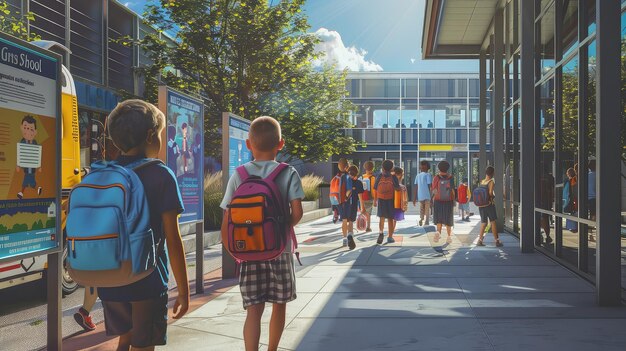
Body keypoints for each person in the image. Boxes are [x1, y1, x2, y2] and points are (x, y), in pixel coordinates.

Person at [98, 99, 189, 351]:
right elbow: (173, 238)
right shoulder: (160, 174)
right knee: (143, 345)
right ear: (150, 136)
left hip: (110, 279)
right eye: (159, 134)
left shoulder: (105, 174)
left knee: (124, 339)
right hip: (147, 281)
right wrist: (183, 290)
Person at [220, 116, 304, 351]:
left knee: (253, 311)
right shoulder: (288, 173)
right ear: (281, 143)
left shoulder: (239, 175)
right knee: (279, 305)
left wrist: (235, 250)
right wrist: (281, 229)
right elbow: (297, 212)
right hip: (280, 250)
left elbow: (227, 219)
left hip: (249, 252)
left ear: (248, 144)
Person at [373, 159, 400, 244]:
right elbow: (397, 188)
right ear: (392, 168)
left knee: (381, 217)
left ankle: (381, 233)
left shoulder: (380, 175)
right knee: (390, 218)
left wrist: (375, 199)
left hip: (381, 199)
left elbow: (375, 187)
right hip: (391, 199)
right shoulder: (393, 176)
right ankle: (390, 237)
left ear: (382, 167)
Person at [16, 115, 43, 199]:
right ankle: (31, 190)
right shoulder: (22, 142)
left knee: (29, 182)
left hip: (33, 167)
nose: (28, 132)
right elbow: (20, 153)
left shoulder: (34, 142)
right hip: (27, 168)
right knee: (28, 181)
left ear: (35, 132)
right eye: (26, 128)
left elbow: (37, 154)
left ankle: (22, 192)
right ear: (21, 128)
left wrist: (39, 166)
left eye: (31, 129)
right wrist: (18, 165)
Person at [476, 166, 503, 247]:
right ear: (493, 173)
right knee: (493, 222)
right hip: (489, 204)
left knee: (483, 223)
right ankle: (497, 241)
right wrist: (493, 197)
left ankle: (480, 241)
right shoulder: (491, 182)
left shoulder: (482, 181)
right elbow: (490, 193)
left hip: (481, 205)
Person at [432, 161, 455, 243]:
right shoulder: (450, 177)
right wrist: (453, 200)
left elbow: (434, 190)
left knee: (439, 219)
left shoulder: (436, 177)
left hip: (438, 201)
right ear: (448, 168)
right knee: (448, 219)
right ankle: (449, 237)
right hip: (448, 201)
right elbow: (452, 190)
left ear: (439, 168)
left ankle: (438, 232)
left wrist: (435, 197)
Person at [342, 165, 365, 250]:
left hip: (344, 204)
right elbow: (360, 197)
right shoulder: (358, 183)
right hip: (353, 205)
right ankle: (350, 235)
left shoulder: (345, 180)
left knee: (344, 220)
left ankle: (344, 239)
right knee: (351, 221)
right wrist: (362, 207)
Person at [413, 160, 433, 226]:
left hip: (420, 195)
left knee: (421, 208)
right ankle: (426, 221)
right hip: (427, 195)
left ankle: (421, 219)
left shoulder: (417, 176)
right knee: (427, 209)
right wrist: (431, 197)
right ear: (428, 167)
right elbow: (429, 186)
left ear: (420, 168)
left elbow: (416, 187)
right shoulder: (428, 175)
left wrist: (414, 198)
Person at [539, 164, 555, 244]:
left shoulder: (535, 177)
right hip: (546, 200)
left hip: (538, 200)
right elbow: (553, 189)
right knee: (545, 217)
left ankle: (540, 233)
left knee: (539, 217)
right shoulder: (550, 177)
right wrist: (552, 199)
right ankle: (547, 235)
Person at [360, 161, 376, 232]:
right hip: (369, 198)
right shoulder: (373, 178)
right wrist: (375, 199)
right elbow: (374, 190)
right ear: (372, 168)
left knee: (363, 211)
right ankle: (368, 227)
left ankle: (361, 225)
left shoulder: (362, 177)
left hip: (362, 197)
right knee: (368, 213)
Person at [392, 167, 408, 233]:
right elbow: (405, 199)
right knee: (394, 219)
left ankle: (391, 231)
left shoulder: (390, 183)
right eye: (401, 174)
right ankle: (391, 231)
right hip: (398, 205)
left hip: (391, 204)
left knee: (392, 219)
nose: (402, 176)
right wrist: (405, 206)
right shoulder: (402, 187)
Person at [564, 167, 578, 233]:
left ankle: (573, 227)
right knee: (574, 211)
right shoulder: (575, 179)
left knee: (573, 211)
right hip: (574, 198)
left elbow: (572, 189)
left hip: (573, 198)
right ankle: (574, 226)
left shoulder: (572, 180)